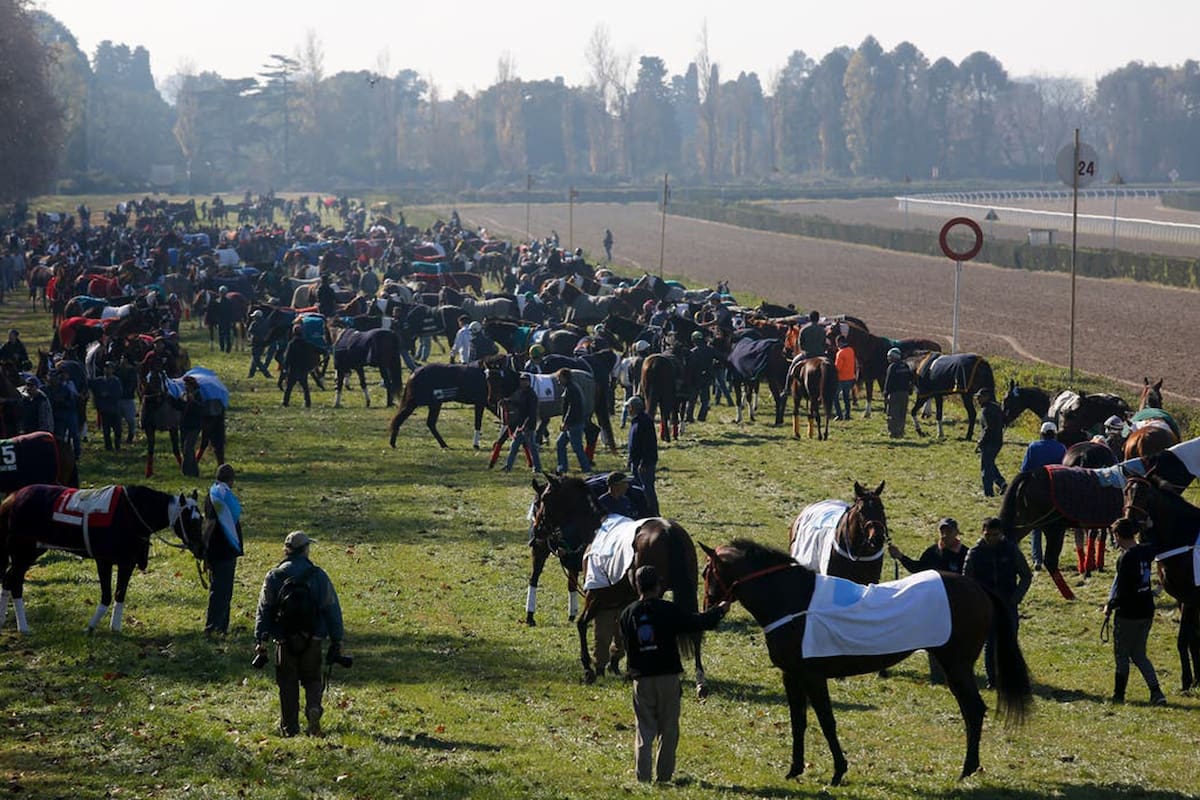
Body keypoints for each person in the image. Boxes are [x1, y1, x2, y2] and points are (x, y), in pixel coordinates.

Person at [619, 565, 729, 784]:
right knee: (669, 729)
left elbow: (627, 645)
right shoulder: (669, 610)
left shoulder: (627, 613)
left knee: (644, 729)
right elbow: (698, 622)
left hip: (641, 678)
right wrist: (719, 610)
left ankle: (643, 777)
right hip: (668, 676)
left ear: (637, 586)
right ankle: (664, 776)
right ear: (658, 586)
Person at [254, 531, 346, 737]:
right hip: (312, 639)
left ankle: (289, 727)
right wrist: (337, 639)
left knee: (287, 683)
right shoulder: (318, 576)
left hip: (284, 640)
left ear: (287, 549)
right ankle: (313, 707)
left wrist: (261, 639)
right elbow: (332, 609)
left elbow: (264, 609)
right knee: (313, 678)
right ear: (305, 549)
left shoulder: (273, 576)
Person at [889, 517, 967, 684]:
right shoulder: (932, 552)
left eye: (949, 531)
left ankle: (956, 672)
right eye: (942, 531)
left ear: (956, 533)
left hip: (958, 606)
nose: (945, 535)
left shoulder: (965, 554)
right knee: (936, 639)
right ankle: (937, 677)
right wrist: (900, 556)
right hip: (935, 605)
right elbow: (917, 569)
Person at [1103, 521, 1167, 705]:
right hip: (1146, 610)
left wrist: (1110, 606)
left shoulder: (1125, 558)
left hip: (1128, 614)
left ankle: (1119, 695)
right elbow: (1155, 540)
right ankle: (1156, 692)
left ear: (1118, 536)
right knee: (1139, 654)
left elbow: (1123, 590)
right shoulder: (1146, 551)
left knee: (1122, 655)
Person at [964, 517, 1032, 689]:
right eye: (988, 535)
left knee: (1009, 643)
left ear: (1001, 533)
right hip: (986, 606)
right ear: (982, 532)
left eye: (995, 534)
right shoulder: (974, 554)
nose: (991, 538)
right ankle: (992, 680)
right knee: (990, 643)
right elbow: (967, 581)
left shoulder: (1011, 550)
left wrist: (1016, 597)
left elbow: (1026, 575)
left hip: (1008, 604)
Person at [1018, 421, 1067, 570]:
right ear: (1055, 434)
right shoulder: (1062, 448)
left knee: (1036, 525)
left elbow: (1024, 469)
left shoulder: (1033, 447)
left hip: (1036, 489)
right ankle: (1051, 558)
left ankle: (1037, 559)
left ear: (1042, 433)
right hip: (1055, 491)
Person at [205, 463, 244, 636]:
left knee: (217, 590)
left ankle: (218, 625)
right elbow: (218, 521)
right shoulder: (225, 496)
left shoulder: (211, 494)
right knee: (223, 591)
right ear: (231, 480)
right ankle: (216, 627)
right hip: (225, 550)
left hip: (214, 550)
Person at [499, 373, 541, 473]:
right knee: (514, 447)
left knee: (533, 449)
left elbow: (531, 413)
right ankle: (508, 467)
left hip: (528, 427)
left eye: (525, 380)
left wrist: (524, 426)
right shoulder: (522, 393)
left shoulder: (531, 395)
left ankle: (538, 468)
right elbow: (519, 404)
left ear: (529, 382)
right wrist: (508, 402)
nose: (523, 382)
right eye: (522, 380)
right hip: (521, 425)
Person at [555, 368, 592, 474]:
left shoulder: (571, 389)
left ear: (564, 378)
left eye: (559, 378)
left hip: (574, 424)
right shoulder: (571, 387)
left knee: (577, 447)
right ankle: (562, 467)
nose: (558, 380)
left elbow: (572, 408)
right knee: (560, 443)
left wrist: (566, 423)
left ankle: (586, 468)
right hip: (573, 423)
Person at [626, 396, 659, 515]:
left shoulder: (643, 422)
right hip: (636, 462)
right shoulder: (637, 420)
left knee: (647, 489)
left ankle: (653, 512)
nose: (627, 410)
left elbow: (647, 444)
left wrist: (644, 462)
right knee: (639, 488)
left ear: (634, 408)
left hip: (643, 463)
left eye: (629, 407)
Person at [975, 388, 1007, 497]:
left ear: (986, 397)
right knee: (990, 464)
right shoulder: (996, 407)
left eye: (980, 397)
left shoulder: (985, 410)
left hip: (989, 442)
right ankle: (1002, 483)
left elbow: (987, 429)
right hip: (998, 441)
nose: (977, 399)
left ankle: (988, 492)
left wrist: (980, 442)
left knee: (986, 468)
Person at [88, 361, 123, 451]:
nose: (107, 370)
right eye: (106, 368)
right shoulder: (99, 380)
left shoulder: (116, 381)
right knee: (106, 431)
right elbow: (90, 384)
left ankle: (117, 446)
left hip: (115, 409)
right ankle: (108, 447)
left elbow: (119, 394)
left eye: (109, 368)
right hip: (104, 410)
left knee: (118, 430)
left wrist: (108, 394)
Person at [281, 327, 316, 408]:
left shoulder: (291, 344)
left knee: (289, 387)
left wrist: (285, 367)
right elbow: (316, 349)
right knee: (305, 388)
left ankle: (285, 402)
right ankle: (308, 402)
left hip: (293, 369)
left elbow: (287, 357)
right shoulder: (306, 343)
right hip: (303, 369)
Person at [178, 376, 205, 478]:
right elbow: (179, 407)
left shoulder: (198, 395)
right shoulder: (184, 395)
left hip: (194, 426)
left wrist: (193, 401)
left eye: (187, 385)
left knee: (188, 448)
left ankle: (185, 471)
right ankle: (194, 472)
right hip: (184, 425)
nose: (185, 386)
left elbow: (201, 409)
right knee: (185, 449)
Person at [686, 330, 715, 423]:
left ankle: (689, 417)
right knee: (705, 400)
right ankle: (702, 417)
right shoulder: (710, 349)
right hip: (706, 377)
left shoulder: (692, 352)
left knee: (692, 400)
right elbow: (720, 358)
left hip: (695, 378)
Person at [882, 347, 911, 439]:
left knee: (893, 413)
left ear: (894, 357)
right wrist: (910, 391)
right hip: (905, 394)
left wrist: (885, 394)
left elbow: (888, 382)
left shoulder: (892, 367)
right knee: (902, 414)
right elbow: (910, 379)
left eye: (889, 357)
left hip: (894, 394)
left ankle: (893, 433)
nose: (888, 359)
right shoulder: (906, 366)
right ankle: (901, 432)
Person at [833, 336, 856, 421]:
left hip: (841, 378)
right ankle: (847, 415)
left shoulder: (840, 353)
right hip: (850, 377)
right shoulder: (851, 350)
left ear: (839, 342)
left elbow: (838, 368)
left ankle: (839, 415)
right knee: (846, 397)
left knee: (835, 397)